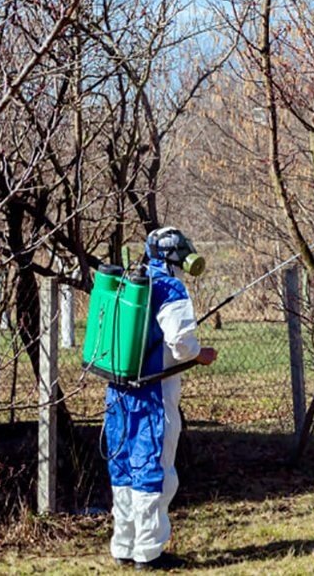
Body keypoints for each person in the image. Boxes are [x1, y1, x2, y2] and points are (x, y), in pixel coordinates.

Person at [105, 227, 216, 570]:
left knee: (123, 468)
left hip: (119, 393)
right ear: (177, 255)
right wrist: (200, 354)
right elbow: (181, 343)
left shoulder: (129, 283)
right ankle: (149, 554)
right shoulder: (170, 287)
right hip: (154, 395)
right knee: (155, 470)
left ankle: (123, 547)